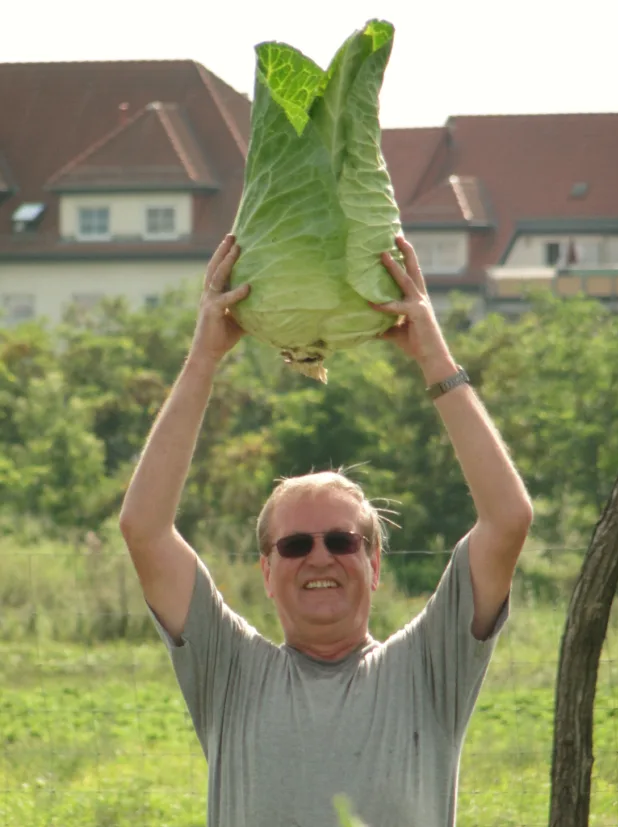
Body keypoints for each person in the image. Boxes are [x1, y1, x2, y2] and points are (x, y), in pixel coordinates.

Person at [119, 234, 533, 827]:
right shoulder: (229, 671)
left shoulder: (429, 668)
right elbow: (144, 528)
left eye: (342, 541)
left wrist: (434, 359)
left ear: (375, 562)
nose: (320, 558)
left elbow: (508, 519)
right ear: (266, 570)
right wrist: (203, 359)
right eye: (294, 545)